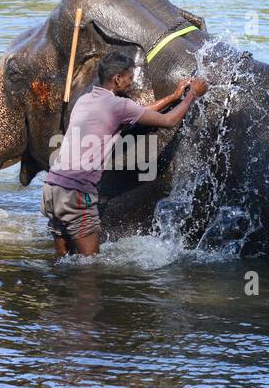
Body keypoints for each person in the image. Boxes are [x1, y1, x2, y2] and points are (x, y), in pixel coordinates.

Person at [42, 50, 206, 256]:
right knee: (89, 266)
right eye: (130, 78)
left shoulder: (84, 101)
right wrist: (193, 94)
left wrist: (173, 97)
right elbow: (168, 121)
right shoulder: (117, 105)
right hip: (77, 192)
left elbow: (138, 112)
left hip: (52, 187)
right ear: (117, 79)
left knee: (62, 260)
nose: (131, 83)